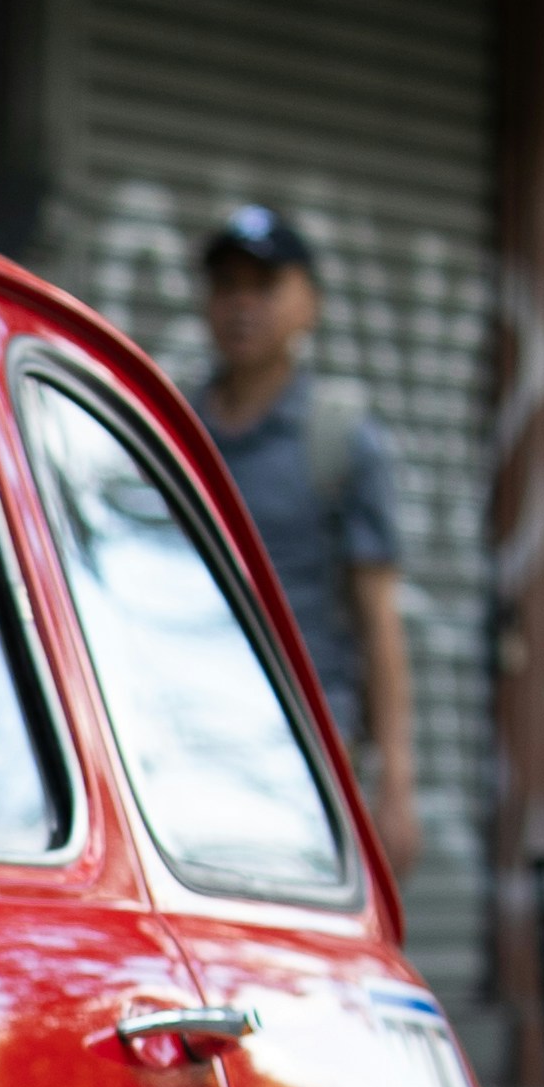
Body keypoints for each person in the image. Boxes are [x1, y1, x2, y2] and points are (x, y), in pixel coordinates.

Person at [194, 200, 420, 876]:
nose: (242, 306)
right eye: (227, 287)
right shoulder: (171, 428)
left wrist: (397, 785)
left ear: (309, 305)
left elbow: (379, 621)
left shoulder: (340, 440)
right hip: (186, 754)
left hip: (305, 759)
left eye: (264, 287)